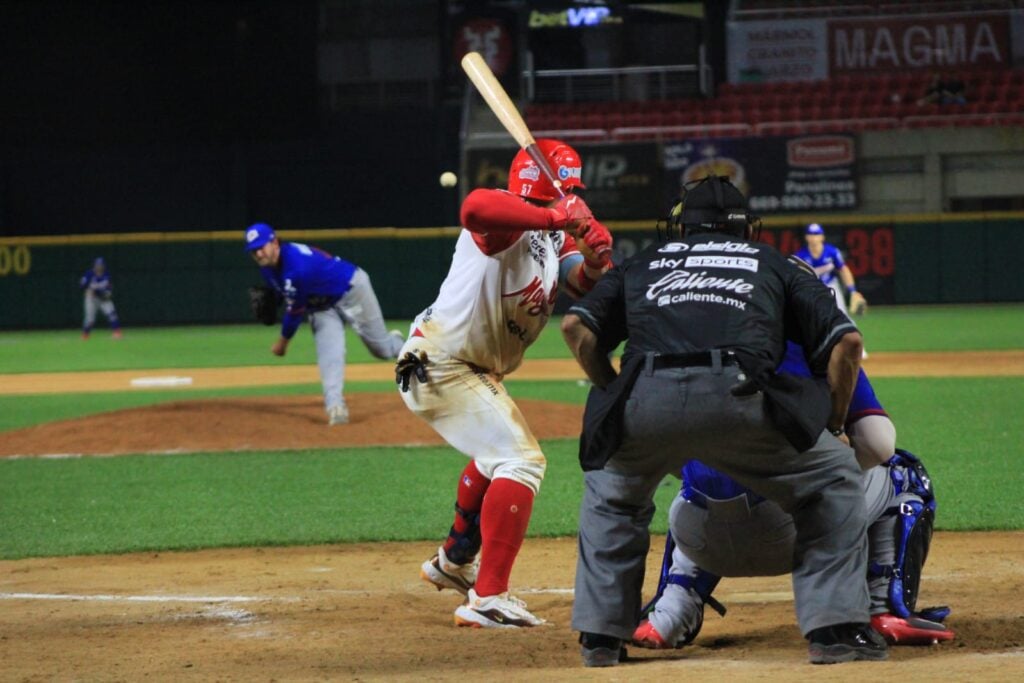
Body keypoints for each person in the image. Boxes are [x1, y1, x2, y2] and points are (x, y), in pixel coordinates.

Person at [561, 175, 884, 666]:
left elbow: (576, 328)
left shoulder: (643, 262)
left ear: (680, 226)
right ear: (746, 229)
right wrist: (836, 424)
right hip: (739, 395)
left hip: (645, 394)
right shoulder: (775, 262)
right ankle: (835, 631)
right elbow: (848, 345)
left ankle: (601, 640)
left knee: (613, 496)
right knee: (834, 479)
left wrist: (613, 390)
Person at [395, 139, 613, 629]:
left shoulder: (551, 240)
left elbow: (582, 281)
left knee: (496, 457)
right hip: (443, 362)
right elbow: (476, 207)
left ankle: (453, 561)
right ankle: (487, 597)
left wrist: (597, 255)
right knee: (521, 460)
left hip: (469, 367)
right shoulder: (506, 220)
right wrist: (560, 217)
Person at [632, 344, 954, 650]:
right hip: (790, 534)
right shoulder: (814, 341)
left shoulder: (683, 343)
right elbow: (877, 444)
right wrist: (825, 476)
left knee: (703, 481)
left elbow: (658, 452)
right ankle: (884, 609)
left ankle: (669, 616)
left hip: (697, 538)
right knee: (903, 474)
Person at [244, 223, 404, 425]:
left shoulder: (297, 267)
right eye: (253, 250)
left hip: (351, 290)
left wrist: (282, 343)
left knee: (381, 349)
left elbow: (294, 312)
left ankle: (399, 344)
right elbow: (283, 291)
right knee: (330, 355)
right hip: (321, 306)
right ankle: (335, 407)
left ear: (275, 242)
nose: (258, 253)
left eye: (261, 246)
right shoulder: (268, 267)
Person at [795, 223, 866, 318]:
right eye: (810, 234)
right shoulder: (800, 256)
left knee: (842, 317)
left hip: (831, 286)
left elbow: (843, 270)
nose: (813, 237)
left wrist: (852, 291)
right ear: (806, 237)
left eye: (816, 234)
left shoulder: (832, 252)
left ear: (822, 237)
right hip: (811, 289)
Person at [79, 257, 122, 339]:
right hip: (91, 299)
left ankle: (117, 333)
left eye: (101, 265)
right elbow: (82, 285)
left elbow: (109, 287)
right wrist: (87, 290)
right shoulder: (89, 274)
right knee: (90, 319)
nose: (99, 267)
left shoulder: (106, 274)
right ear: (94, 265)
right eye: (98, 265)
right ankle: (85, 335)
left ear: (103, 266)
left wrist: (108, 293)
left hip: (103, 299)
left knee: (112, 314)